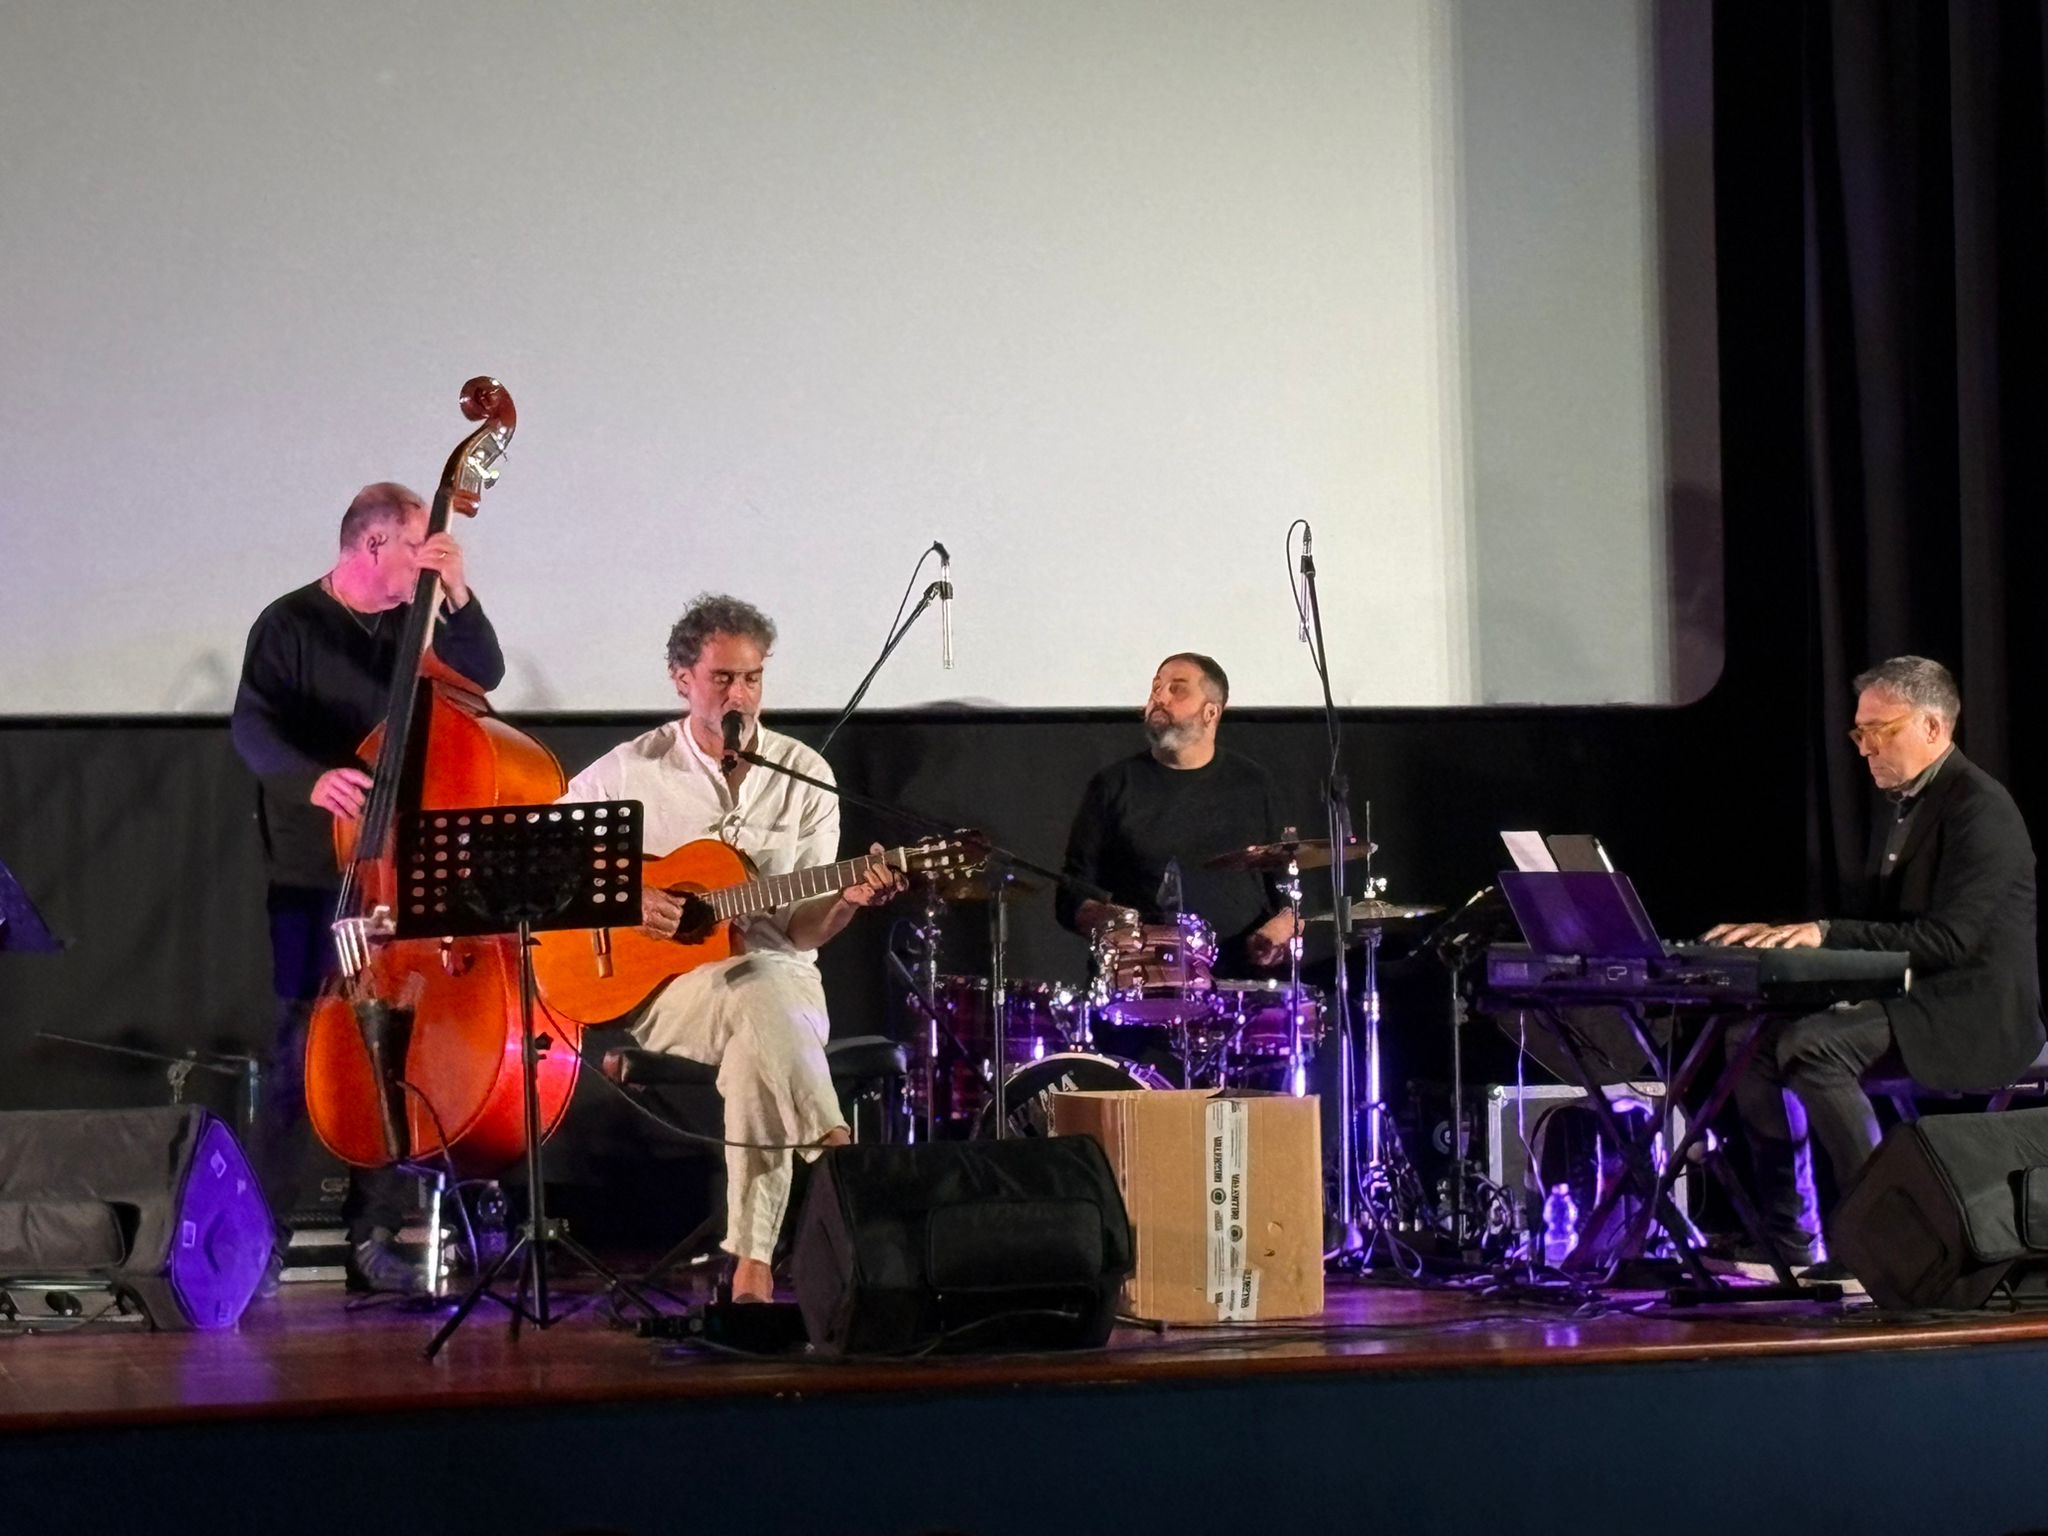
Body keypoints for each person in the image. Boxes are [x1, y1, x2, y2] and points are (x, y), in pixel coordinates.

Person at [558, 594, 903, 1304]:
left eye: (752, 678)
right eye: (722, 678)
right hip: (669, 992)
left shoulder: (805, 776)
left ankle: (751, 1269)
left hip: (781, 979)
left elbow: (801, 932)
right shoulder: (632, 768)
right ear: (682, 678)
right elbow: (545, 859)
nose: (739, 695)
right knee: (763, 1007)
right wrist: (626, 895)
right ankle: (838, 1155)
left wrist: (846, 898)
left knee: (760, 1024)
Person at [230, 480, 505, 1293]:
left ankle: (374, 1233)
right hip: (312, 867)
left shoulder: (420, 619)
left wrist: (460, 593)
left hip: (397, 866)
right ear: (374, 543)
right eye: (418, 546)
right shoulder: (289, 623)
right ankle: (265, 1237)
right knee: (298, 1046)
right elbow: (253, 726)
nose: (427, 561)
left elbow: (484, 673)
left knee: (397, 1045)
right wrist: (314, 779)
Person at [1707, 655, 2044, 1271]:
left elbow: (1948, 942)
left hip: (1974, 1012)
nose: (1865, 748)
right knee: (1750, 1042)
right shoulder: (1909, 804)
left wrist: (1825, 934)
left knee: (1815, 1048)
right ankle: (1790, 1236)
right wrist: (1787, 936)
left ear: (1933, 727)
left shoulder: (1980, 808)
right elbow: (1888, 929)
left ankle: (1885, 1245)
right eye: (1859, 733)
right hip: (1916, 1001)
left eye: (1879, 731)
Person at [1058, 652, 1298, 974]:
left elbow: (1287, 885)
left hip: (1237, 977)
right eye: (1156, 687)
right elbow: (1070, 895)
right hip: (1141, 977)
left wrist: (1283, 926)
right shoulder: (1113, 785)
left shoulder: (1253, 784)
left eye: (1177, 689)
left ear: (1211, 712)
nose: (1159, 697)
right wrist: (1107, 919)